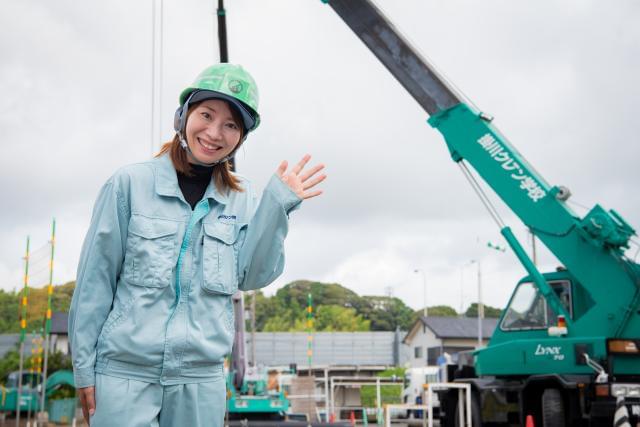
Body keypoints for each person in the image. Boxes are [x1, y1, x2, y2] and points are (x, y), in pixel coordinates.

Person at [68, 63, 326, 427]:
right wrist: (84, 368)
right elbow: (95, 280)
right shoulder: (128, 184)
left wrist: (276, 206)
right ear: (183, 115)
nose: (214, 132)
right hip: (124, 374)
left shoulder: (246, 199)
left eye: (231, 125)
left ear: (240, 138)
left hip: (200, 381)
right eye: (206, 114)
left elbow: (252, 275)